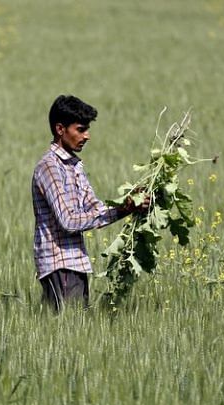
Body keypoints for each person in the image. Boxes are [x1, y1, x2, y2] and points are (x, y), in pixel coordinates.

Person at [31, 95, 147, 311]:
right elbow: (69, 221)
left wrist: (130, 204)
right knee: (66, 332)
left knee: (70, 329)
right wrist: (123, 208)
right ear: (60, 129)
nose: (87, 136)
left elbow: (96, 209)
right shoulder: (50, 168)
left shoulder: (73, 167)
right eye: (81, 129)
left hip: (75, 263)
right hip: (60, 265)